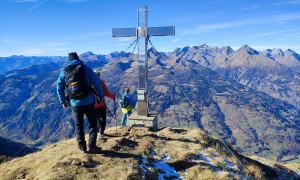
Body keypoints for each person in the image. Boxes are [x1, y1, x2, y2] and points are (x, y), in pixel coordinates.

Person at [56, 52, 104, 153]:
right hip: (89, 101)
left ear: (68, 61)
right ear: (78, 58)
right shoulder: (86, 68)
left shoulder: (64, 72)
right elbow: (97, 83)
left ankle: (82, 147)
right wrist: (101, 96)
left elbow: (59, 88)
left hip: (75, 104)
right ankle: (92, 146)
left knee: (79, 125)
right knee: (93, 123)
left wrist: (63, 101)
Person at [93, 69, 116, 136]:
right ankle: (101, 132)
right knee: (102, 119)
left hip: (91, 105)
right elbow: (106, 93)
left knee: (95, 120)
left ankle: (95, 133)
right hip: (100, 104)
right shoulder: (101, 82)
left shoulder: (89, 82)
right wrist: (113, 96)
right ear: (99, 75)